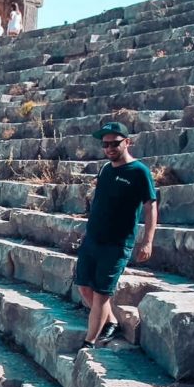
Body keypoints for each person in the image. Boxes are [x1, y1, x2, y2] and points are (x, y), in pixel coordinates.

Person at [74, 122, 158, 350]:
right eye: (105, 144)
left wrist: (147, 241)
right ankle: (110, 320)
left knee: (101, 293)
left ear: (127, 142)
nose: (110, 148)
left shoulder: (139, 171)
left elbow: (150, 206)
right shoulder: (106, 170)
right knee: (84, 287)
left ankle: (89, 342)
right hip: (93, 239)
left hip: (117, 244)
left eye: (115, 143)